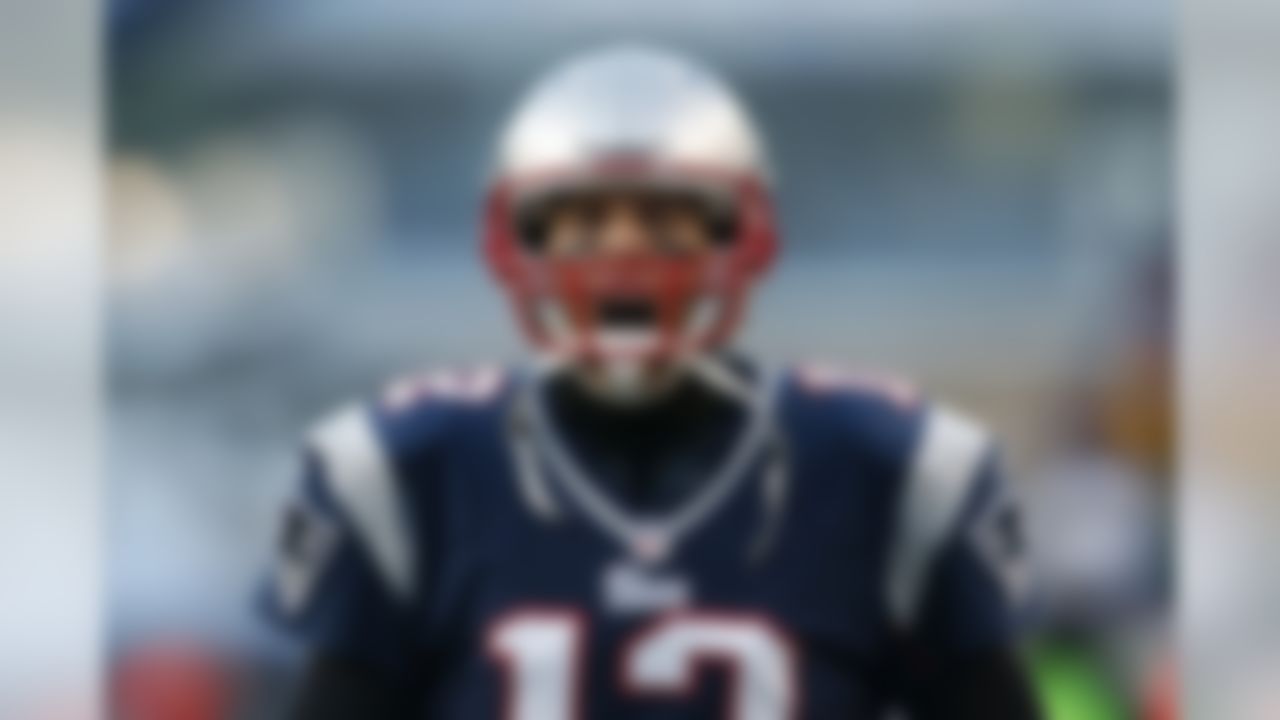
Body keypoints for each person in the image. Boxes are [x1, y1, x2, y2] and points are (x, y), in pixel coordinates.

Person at [264, 45, 1042, 719]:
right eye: (583, 218)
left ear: (745, 233)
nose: (624, 251)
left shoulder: (885, 469)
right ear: (516, 236)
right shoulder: (409, 472)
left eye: (669, 214)